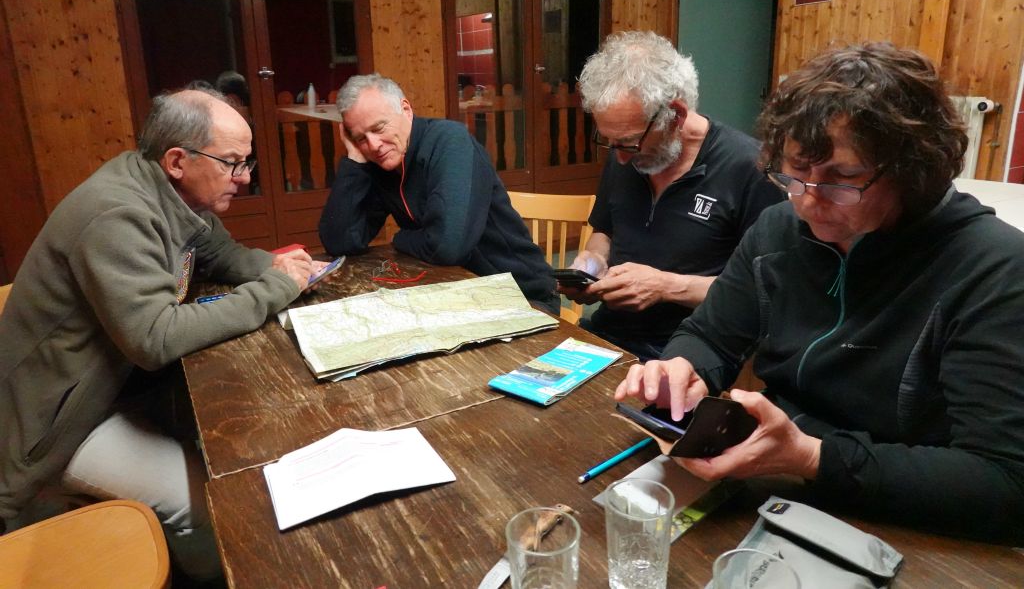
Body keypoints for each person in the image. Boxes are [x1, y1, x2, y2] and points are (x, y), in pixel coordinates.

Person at [614, 42, 1024, 544]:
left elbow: (1004, 484)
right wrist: (683, 369)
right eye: (793, 174)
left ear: (913, 168)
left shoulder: (995, 270)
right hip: (773, 482)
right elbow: (710, 335)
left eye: (842, 180)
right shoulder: (777, 230)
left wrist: (811, 456)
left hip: (910, 514)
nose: (808, 202)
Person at [0, 87, 324, 578]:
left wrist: (283, 267)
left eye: (246, 162)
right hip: (58, 425)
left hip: (114, 385)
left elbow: (224, 255)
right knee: (203, 504)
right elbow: (155, 338)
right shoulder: (117, 213)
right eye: (233, 163)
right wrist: (273, 290)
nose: (244, 177)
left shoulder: (174, 193)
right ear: (178, 160)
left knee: (238, 433)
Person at [565, 31, 784, 360]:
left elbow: (764, 291)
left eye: (630, 142)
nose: (620, 157)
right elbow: (604, 232)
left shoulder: (751, 169)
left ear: (676, 116)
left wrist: (666, 287)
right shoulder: (623, 151)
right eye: (610, 142)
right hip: (609, 332)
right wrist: (592, 264)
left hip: (692, 346)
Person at [318, 73, 559, 314]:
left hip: (524, 296)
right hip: (459, 293)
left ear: (406, 109)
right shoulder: (380, 162)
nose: (373, 145)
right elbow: (340, 242)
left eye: (378, 128)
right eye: (360, 138)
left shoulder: (449, 142)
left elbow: (446, 247)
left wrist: (401, 238)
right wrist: (354, 161)